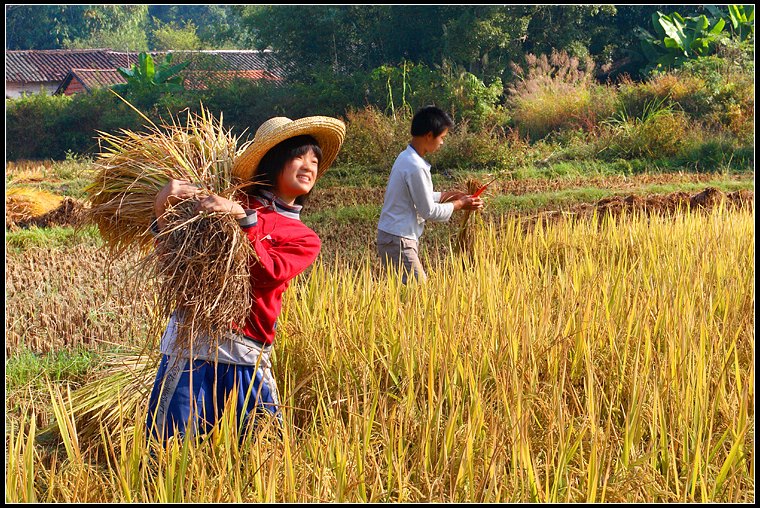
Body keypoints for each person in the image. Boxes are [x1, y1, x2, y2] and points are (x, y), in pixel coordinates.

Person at [145, 116, 346, 443]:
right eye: (299, 156)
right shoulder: (224, 204)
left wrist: (244, 221)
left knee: (263, 455)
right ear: (274, 161)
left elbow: (268, 274)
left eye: (314, 159)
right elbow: (175, 262)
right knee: (168, 453)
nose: (309, 164)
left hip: (246, 354)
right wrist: (161, 209)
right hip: (190, 347)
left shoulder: (303, 237)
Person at [376, 105, 483, 283]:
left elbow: (421, 196)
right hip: (399, 240)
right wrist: (460, 204)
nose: (442, 142)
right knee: (420, 295)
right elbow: (428, 211)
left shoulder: (406, 158)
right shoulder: (415, 166)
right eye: (442, 137)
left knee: (407, 297)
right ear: (429, 135)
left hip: (394, 237)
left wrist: (452, 195)